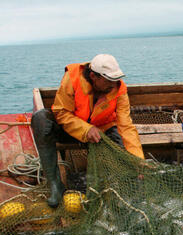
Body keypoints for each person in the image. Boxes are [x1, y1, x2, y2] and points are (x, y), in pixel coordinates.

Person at [31, 54, 144, 207]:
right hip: (69, 130)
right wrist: (86, 129)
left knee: (123, 156)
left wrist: (138, 160)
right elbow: (61, 112)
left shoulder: (119, 89)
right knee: (40, 119)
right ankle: (55, 185)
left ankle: (121, 191)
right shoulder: (72, 78)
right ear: (93, 76)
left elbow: (126, 127)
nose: (114, 83)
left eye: (116, 78)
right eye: (109, 80)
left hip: (102, 132)